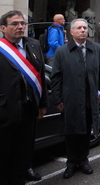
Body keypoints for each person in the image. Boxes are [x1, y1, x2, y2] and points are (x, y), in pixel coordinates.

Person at [51, 18, 100, 179]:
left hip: (90, 99)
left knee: (85, 132)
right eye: (79, 28)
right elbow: (56, 78)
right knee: (71, 133)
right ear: (72, 32)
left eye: (85, 27)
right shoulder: (62, 52)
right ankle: (71, 163)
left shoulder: (97, 49)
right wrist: (58, 99)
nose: (83, 30)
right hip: (71, 99)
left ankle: (83, 160)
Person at [0, 10, 47, 185]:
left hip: (29, 110)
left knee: (23, 153)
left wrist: (42, 103)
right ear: (3, 28)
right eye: (15, 24)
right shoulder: (1, 48)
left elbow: (41, 75)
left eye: (23, 23)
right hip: (6, 111)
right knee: (4, 155)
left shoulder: (33, 45)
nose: (20, 27)